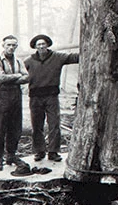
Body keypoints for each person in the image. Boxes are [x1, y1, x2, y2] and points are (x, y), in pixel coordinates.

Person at [24, 34, 79, 162]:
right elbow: (19, 72)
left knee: (54, 124)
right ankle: (39, 151)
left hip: (51, 96)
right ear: (35, 47)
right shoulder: (28, 61)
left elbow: (74, 57)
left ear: (47, 44)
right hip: (35, 97)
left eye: (43, 44)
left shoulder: (57, 57)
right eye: (39, 45)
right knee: (36, 125)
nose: (41, 46)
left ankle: (53, 152)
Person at [0, 35, 30, 172]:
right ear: (3, 46)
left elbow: (27, 77)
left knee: (15, 128)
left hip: (16, 96)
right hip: (2, 96)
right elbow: (0, 77)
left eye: (14, 45)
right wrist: (17, 76)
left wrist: (13, 79)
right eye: (8, 45)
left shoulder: (19, 60)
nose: (11, 47)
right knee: (0, 129)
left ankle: (11, 155)